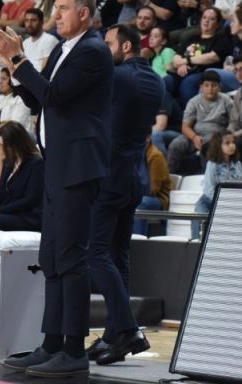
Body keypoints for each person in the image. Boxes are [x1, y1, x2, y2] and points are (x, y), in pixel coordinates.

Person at [0, 0, 114, 378]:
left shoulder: (92, 50)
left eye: (62, 8)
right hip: (58, 166)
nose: (54, 14)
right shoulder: (62, 49)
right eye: (55, 7)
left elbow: (55, 96)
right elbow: (37, 97)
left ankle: (74, 350)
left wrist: (19, 57)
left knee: (71, 258)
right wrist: (14, 66)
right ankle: (51, 344)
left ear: (84, 13)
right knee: (52, 259)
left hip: (78, 167)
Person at [84, 23, 162, 365]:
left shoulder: (119, 77)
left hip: (110, 176)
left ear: (126, 46)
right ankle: (114, 335)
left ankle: (129, 329)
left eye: (108, 44)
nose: (104, 50)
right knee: (118, 256)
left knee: (95, 253)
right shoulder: (155, 79)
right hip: (134, 176)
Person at [167, 70, 233, 172]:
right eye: (206, 85)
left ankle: (206, 178)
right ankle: (170, 175)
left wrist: (224, 138)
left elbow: (233, 123)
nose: (210, 89)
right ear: (201, 87)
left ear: (219, 87)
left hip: (217, 137)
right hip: (195, 135)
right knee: (176, 144)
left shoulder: (227, 101)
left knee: (208, 147)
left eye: (214, 85)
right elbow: (185, 126)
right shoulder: (194, 102)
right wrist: (194, 137)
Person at [194, 130, 241, 238]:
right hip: (208, 203)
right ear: (218, 146)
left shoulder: (238, 164)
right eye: (227, 143)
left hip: (229, 205)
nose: (232, 145)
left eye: (233, 142)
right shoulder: (212, 164)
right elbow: (210, 189)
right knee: (200, 237)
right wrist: (223, 204)